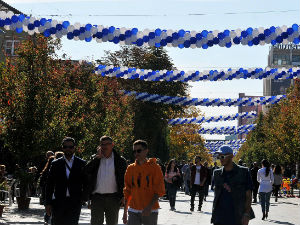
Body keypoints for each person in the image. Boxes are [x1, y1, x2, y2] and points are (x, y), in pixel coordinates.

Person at [83, 136, 127, 225]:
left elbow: (125, 179)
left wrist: (123, 195)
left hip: (113, 199)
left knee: (112, 223)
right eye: (102, 144)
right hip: (97, 198)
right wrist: (97, 158)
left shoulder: (120, 160)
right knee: (95, 223)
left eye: (107, 144)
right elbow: (85, 171)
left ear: (112, 145)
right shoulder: (95, 159)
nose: (105, 147)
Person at [45, 137, 87, 225]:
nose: (68, 149)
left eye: (70, 147)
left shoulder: (81, 163)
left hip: (75, 202)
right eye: (65, 147)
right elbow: (49, 184)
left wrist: (83, 198)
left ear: (74, 148)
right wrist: (47, 203)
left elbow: (86, 182)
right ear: (62, 148)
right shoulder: (55, 164)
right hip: (58, 201)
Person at [123, 140, 165, 225]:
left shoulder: (155, 168)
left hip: (150, 210)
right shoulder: (130, 168)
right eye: (134, 151)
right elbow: (127, 191)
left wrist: (149, 207)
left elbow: (159, 190)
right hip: (133, 210)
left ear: (146, 151)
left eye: (139, 151)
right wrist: (125, 212)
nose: (136, 153)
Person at [211, 145, 255, 225]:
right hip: (219, 217)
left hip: (237, 216)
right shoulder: (216, 173)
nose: (220, 159)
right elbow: (216, 195)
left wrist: (246, 214)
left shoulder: (243, 172)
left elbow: (248, 196)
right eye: (219, 157)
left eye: (222, 156)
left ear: (231, 156)